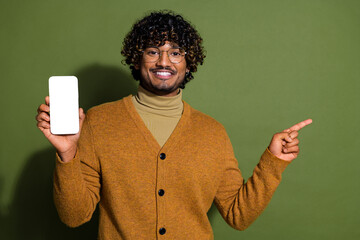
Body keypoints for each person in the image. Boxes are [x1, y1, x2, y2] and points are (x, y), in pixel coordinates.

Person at [36, 11, 312, 240]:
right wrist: (68, 154)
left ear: (189, 63)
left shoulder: (212, 132)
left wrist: (274, 161)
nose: (164, 61)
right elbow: (74, 217)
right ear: (136, 58)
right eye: (153, 51)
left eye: (176, 53)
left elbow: (238, 215)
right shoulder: (98, 121)